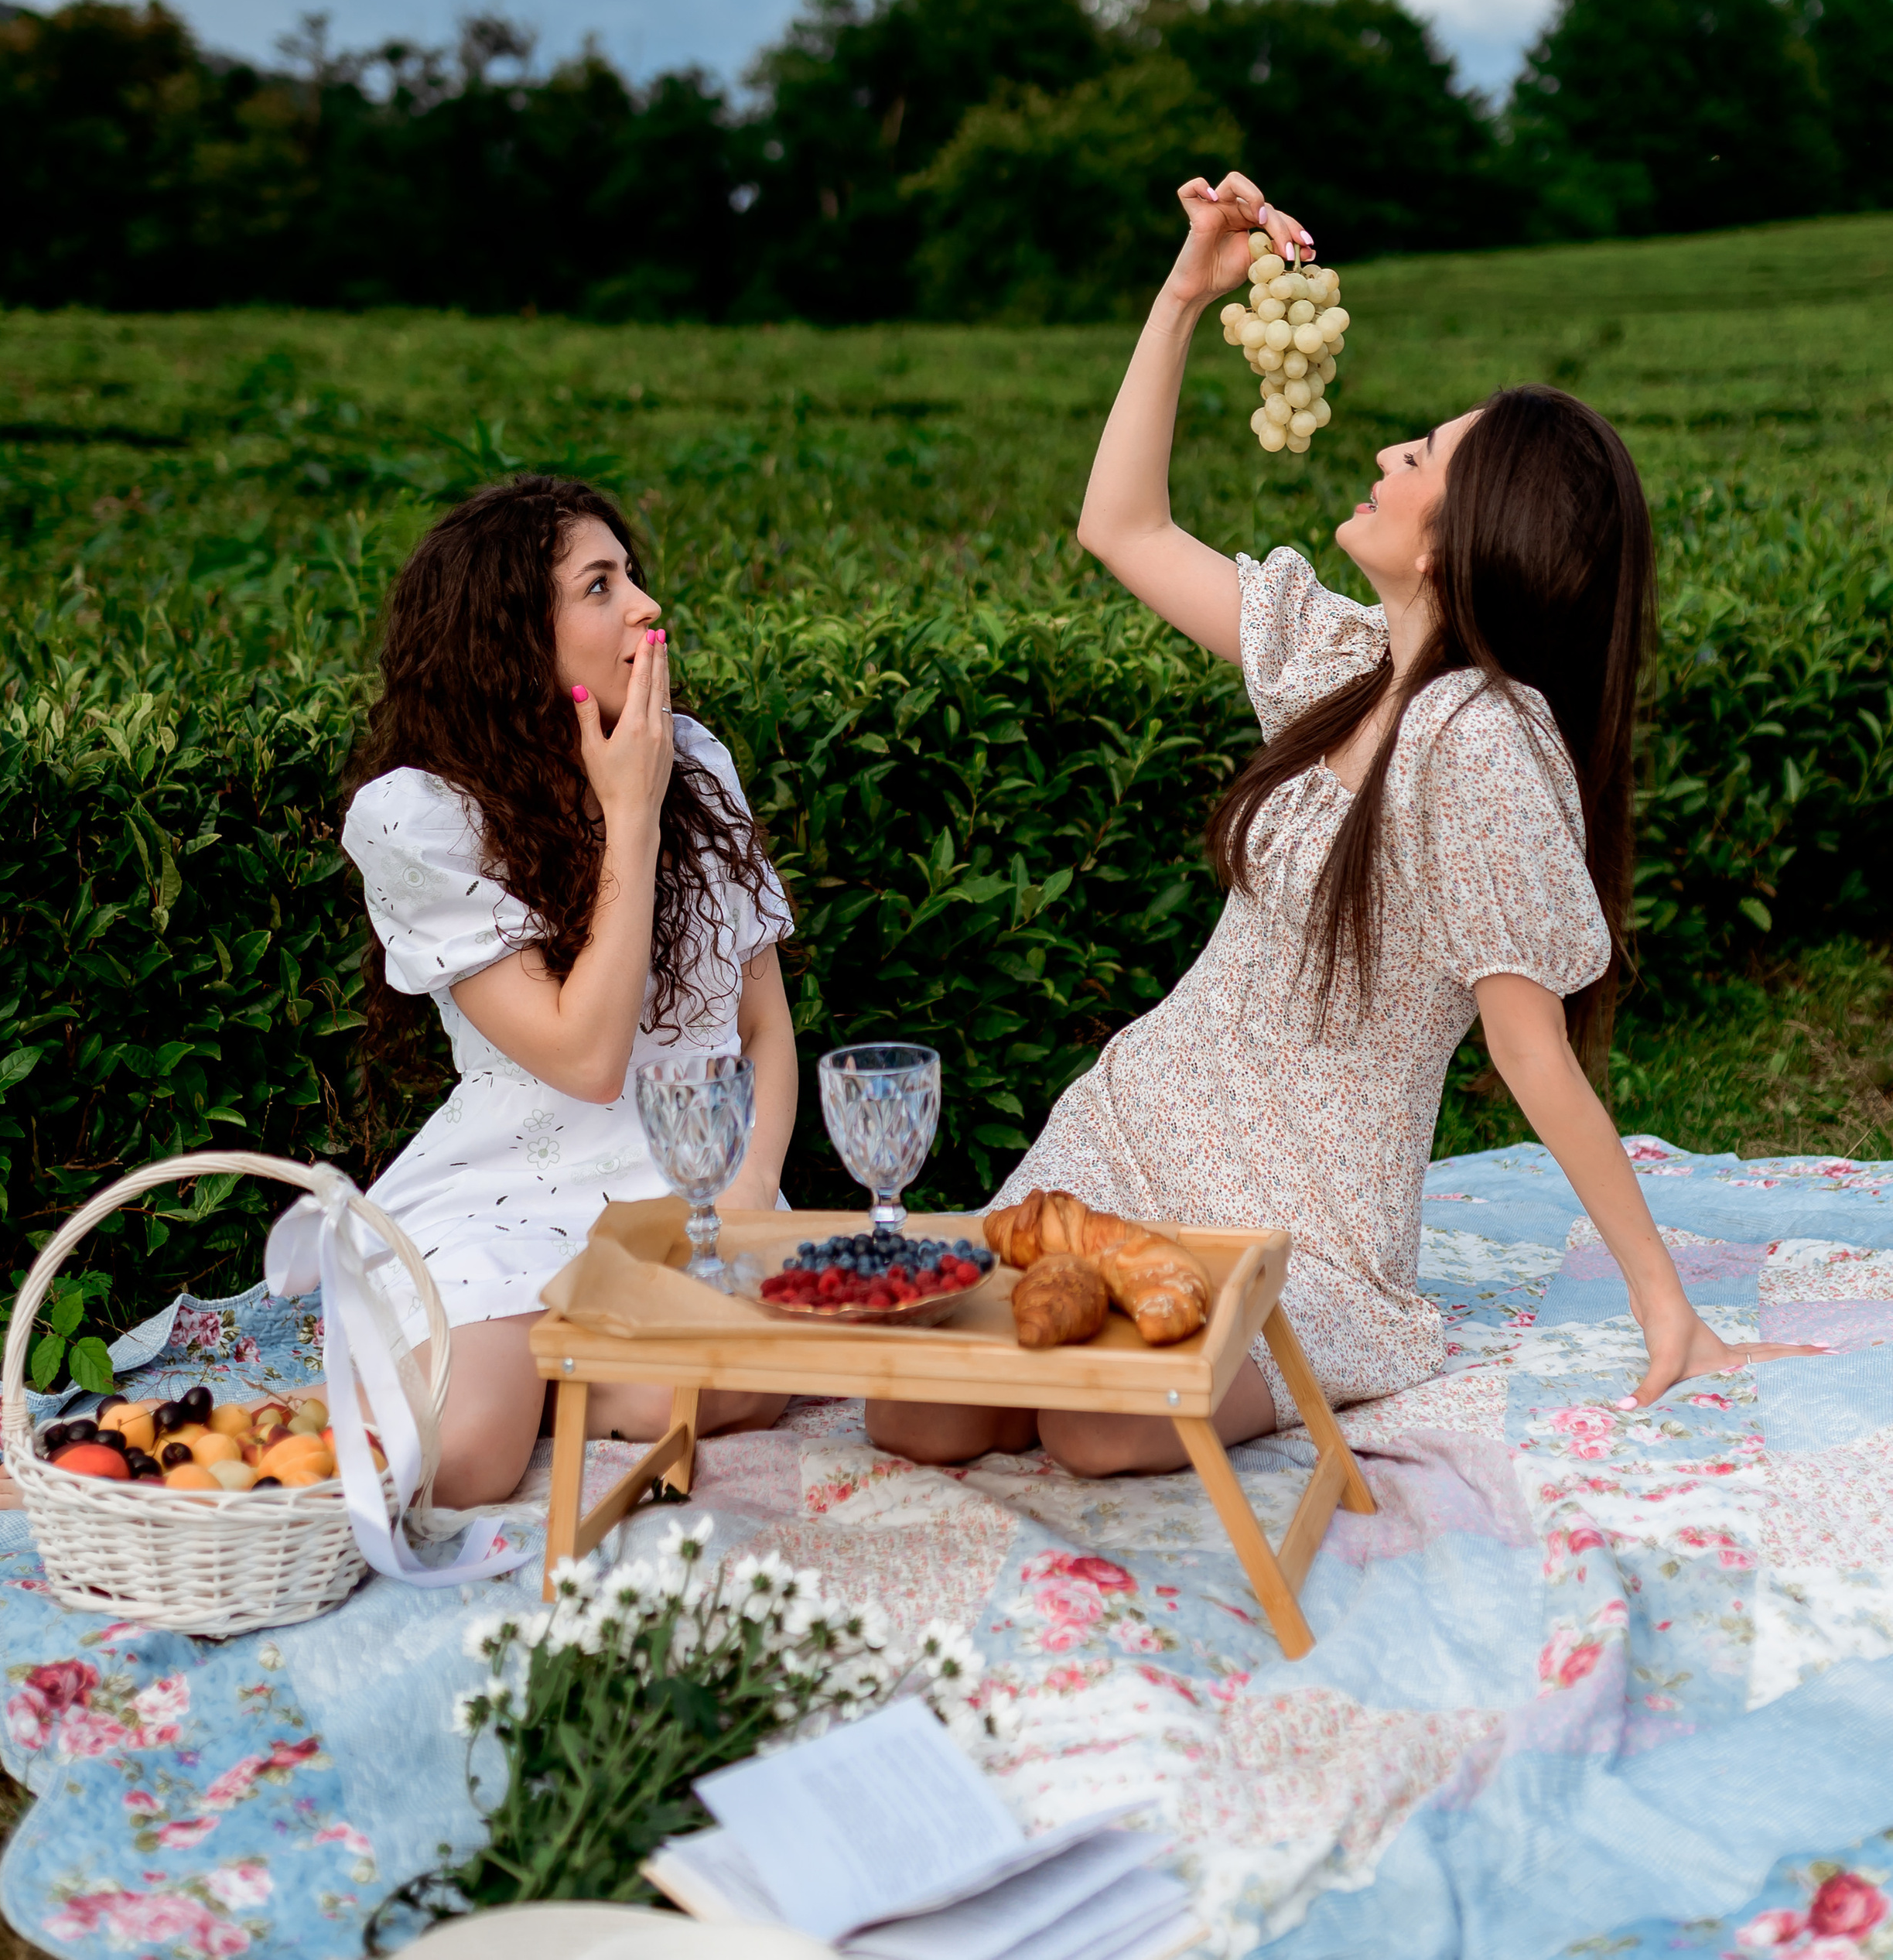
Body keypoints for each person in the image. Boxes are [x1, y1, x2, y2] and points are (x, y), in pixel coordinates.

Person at [868, 169, 1812, 1479]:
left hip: (1302, 1224)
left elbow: (1533, 1055)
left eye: (1419, 457)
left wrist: (1670, 1309)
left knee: (1097, 1425)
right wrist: (1188, 290)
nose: (1383, 454)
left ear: (1457, 540)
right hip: (1132, 1131)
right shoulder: (1341, 661)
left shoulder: (1480, 744)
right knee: (909, 1412)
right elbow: (1119, 524)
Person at [340, 474, 794, 1507]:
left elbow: (763, 1022)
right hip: (506, 1195)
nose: (644, 606)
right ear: (513, 641)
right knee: (462, 1460)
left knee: (736, 1388)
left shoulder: (696, 761)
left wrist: (748, 1206)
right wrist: (627, 818)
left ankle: (575, 1361)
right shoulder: (418, 817)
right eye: (601, 587)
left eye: (630, 575)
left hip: (685, 1189)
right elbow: (588, 1061)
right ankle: (507, 1354)